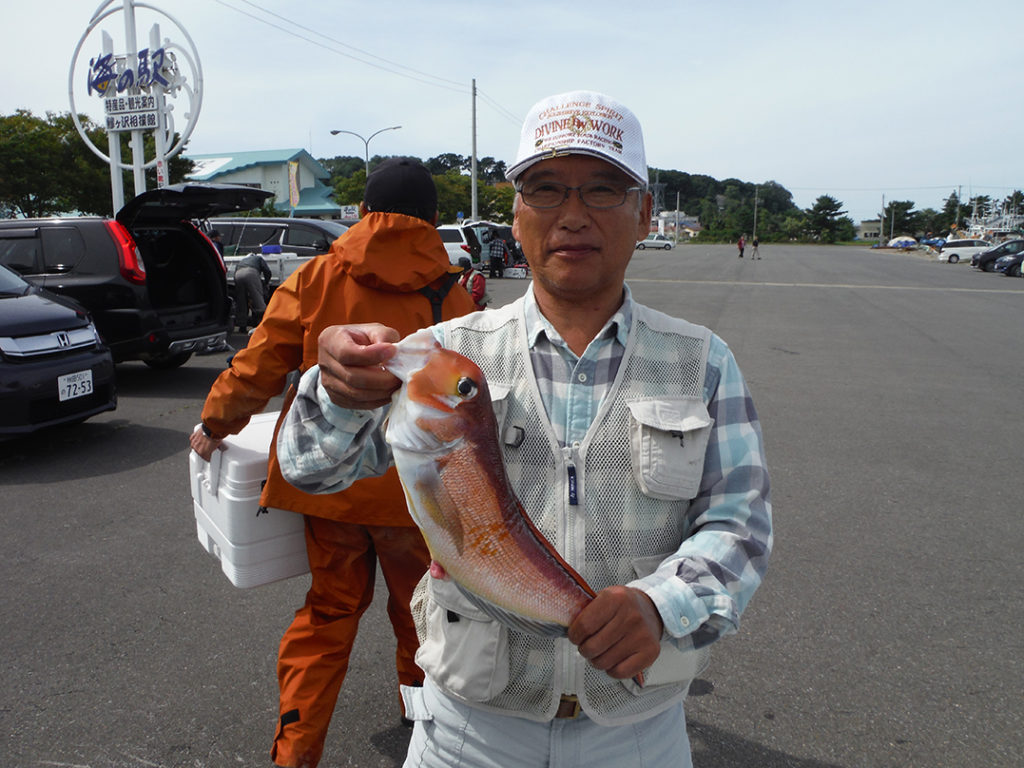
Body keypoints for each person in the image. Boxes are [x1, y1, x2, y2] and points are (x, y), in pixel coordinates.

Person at [276, 91, 772, 768]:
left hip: (638, 734)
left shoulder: (702, 362)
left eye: (603, 188)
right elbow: (313, 469)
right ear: (516, 213)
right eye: (545, 189)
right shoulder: (447, 353)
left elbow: (740, 524)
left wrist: (663, 605)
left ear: (643, 213)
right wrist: (336, 392)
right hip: (468, 731)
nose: (573, 214)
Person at [187, 157, 475, 768]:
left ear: (364, 212)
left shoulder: (316, 276)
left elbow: (260, 363)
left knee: (329, 613)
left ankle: (295, 753)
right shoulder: (451, 292)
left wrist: (215, 423)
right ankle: (422, 727)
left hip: (329, 486)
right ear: (432, 219)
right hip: (413, 494)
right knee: (420, 614)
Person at [233, 250, 272, 332]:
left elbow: (235, 271)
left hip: (238, 275)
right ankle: (261, 323)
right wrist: (266, 282)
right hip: (251, 273)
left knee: (241, 301)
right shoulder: (258, 258)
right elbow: (267, 271)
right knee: (257, 299)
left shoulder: (242, 261)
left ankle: (242, 326)